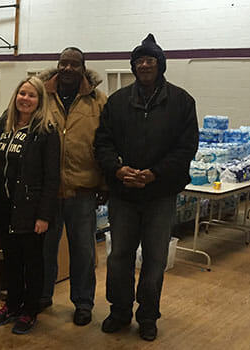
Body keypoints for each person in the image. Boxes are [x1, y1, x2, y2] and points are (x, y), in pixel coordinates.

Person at [94, 33, 199, 341]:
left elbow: (186, 147)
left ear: (161, 65)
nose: (144, 65)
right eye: (139, 61)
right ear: (133, 66)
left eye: (150, 60)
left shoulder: (181, 102)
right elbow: (102, 143)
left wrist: (155, 173)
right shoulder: (117, 102)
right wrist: (117, 169)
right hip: (124, 194)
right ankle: (119, 311)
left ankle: (148, 316)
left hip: (160, 195)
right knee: (119, 257)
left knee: (154, 259)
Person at [37, 47, 107, 326]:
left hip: (83, 190)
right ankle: (41, 296)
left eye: (73, 64)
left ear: (83, 68)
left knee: (83, 252)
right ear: (57, 65)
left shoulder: (98, 101)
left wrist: (105, 182)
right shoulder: (41, 95)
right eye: (63, 63)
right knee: (44, 250)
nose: (67, 69)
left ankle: (83, 302)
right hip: (47, 191)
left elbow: (106, 144)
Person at [0, 76, 60, 335]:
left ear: (40, 101)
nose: (25, 99)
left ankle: (30, 310)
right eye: (22, 93)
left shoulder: (46, 132)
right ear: (15, 95)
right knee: (11, 260)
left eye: (32, 95)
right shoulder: (2, 126)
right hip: (3, 208)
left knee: (33, 262)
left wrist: (44, 216)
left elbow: (52, 179)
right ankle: (12, 304)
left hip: (31, 210)